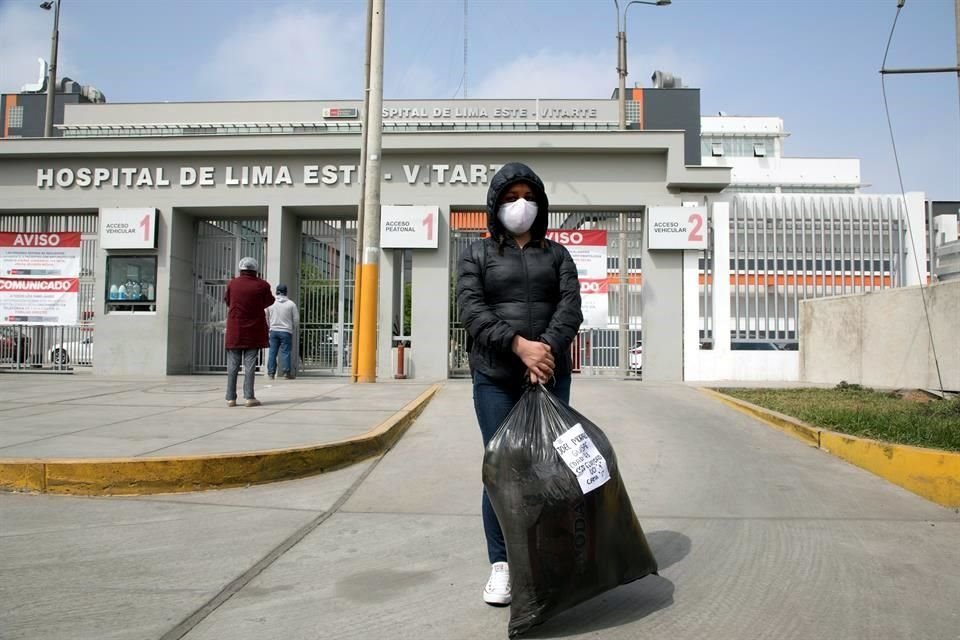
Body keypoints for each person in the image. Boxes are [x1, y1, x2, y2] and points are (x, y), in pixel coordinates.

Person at [456, 162, 583, 606]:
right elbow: (471, 309)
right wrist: (517, 346)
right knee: (502, 470)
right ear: (495, 205)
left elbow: (570, 308)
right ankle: (503, 565)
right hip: (495, 378)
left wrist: (542, 352)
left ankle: (546, 559)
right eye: (510, 198)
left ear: (541, 205)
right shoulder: (476, 254)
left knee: (549, 469)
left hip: (548, 376)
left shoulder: (558, 255)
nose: (520, 205)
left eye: (528, 196)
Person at [224, 257, 274, 407]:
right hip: (254, 329)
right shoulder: (262, 285)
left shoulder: (232, 284)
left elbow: (227, 301)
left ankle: (230, 398)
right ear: (256, 269)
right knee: (250, 365)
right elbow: (269, 301)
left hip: (235, 328)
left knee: (233, 365)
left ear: (241, 269)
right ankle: (249, 397)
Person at [266, 283, 299, 380]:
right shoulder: (291, 304)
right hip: (286, 331)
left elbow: (266, 316)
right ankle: (286, 372)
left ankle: (271, 373)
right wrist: (292, 327)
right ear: (286, 292)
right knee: (286, 352)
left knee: (272, 352)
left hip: (273, 331)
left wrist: (269, 326)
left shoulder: (271, 303)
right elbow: (296, 319)